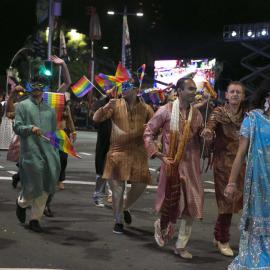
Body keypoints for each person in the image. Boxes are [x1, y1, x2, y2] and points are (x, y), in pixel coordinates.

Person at [144, 77, 204, 259]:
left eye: (195, 89)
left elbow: (200, 138)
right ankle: (162, 226)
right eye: (191, 89)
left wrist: (206, 136)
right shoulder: (165, 111)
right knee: (169, 204)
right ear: (179, 91)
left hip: (192, 166)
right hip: (172, 166)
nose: (195, 92)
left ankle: (181, 245)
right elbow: (148, 132)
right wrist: (159, 155)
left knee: (192, 204)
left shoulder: (197, 114)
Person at [93, 80, 154, 234]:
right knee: (117, 190)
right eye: (122, 87)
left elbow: (154, 127)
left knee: (141, 185)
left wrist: (155, 145)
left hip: (138, 153)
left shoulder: (146, 108)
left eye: (127, 87)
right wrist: (107, 105)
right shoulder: (115, 104)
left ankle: (125, 207)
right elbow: (96, 118)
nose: (123, 90)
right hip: (117, 152)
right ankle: (118, 220)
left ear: (136, 89)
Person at [225, 79, 270, 270]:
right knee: (260, 218)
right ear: (267, 98)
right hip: (259, 180)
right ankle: (259, 255)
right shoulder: (252, 119)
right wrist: (231, 183)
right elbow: (241, 154)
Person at [201, 81, 246, 257]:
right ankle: (223, 238)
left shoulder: (248, 116)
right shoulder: (218, 112)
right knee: (226, 201)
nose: (235, 94)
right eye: (232, 92)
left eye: (238, 92)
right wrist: (208, 133)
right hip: (222, 164)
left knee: (237, 202)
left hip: (242, 164)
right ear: (226, 95)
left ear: (243, 97)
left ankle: (218, 233)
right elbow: (210, 128)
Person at [14, 75, 60, 233]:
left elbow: (53, 133)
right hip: (30, 152)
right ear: (29, 86)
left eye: (40, 86)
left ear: (45, 88)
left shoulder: (50, 110)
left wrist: (57, 150)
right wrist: (30, 128)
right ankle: (22, 203)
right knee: (34, 184)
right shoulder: (22, 106)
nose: (37, 89)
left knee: (47, 185)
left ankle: (35, 219)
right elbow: (17, 127)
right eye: (34, 85)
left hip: (49, 153)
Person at [91, 94, 112, 207]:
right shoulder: (100, 103)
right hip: (104, 142)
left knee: (117, 171)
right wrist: (107, 106)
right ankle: (98, 195)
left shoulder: (123, 104)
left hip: (118, 143)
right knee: (101, 171)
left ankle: (113, 195)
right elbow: (94, 121)